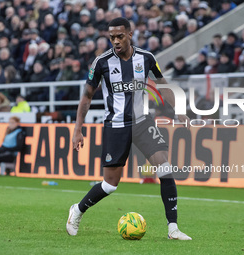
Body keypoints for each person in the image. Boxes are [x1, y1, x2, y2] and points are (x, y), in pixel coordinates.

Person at [68, 17, 192, 240]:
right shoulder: (101, 62)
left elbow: (162, 85)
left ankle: (173, 228)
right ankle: (77, 210)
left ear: (130, 34)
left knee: (164, 168)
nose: (115, 41)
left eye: (120, 36)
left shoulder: (146, 58)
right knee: (109, 185)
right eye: (112, 37)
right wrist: (78, 129)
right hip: (116, 125)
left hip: (142, 122)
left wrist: (178, 109)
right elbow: (86, 97)